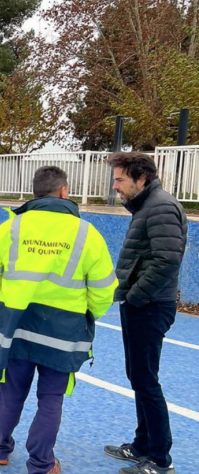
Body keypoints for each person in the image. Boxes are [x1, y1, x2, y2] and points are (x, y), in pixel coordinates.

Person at [0, 166, 117, 474]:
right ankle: (41, 463)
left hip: (15, 329)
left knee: (9, 390)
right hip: (63, 334)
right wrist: (86, 315)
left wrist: (5, 306)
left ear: (35, 192)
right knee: (51, 399)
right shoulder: (86, 233)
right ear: (64, 192)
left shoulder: (11, 228)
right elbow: (104, 290)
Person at [104, 153, 187, 474]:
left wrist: (136, 297)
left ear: (141, 179)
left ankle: (160, 459)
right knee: (138, 376)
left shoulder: (161, 207)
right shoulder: (148, 206)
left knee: (146, 380)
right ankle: (142, 445)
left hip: (150, 305)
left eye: (120, 180)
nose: (115, 187)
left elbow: (166, 261)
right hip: (142, 304)